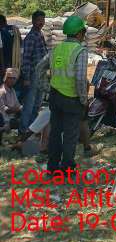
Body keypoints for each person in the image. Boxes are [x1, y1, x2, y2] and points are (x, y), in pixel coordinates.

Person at [47, 16, 88, 174]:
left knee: (55, 132)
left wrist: (46, 88)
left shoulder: (56, 49)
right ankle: (67, 168)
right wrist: (83, 99)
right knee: (71, 135)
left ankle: (52, 167)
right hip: (71, 99)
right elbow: (80, 79)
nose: (84, 34)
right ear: (79, 33)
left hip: (55, 96)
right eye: (83, 31)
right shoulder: (80, 51)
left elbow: (39, 68)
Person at [19, 10, 47, 134]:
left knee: (37, 104)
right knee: (29, 104)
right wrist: (26, 77)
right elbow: (25, 59)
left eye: (43, 20)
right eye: (39, 20)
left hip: (41, 74)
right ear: (33, 21)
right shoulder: (31, 37)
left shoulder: (40, 34)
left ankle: (32, 129)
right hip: (33, 74)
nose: (41, 22)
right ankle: (23, 129)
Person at [0, 68, 22, 139]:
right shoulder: (2, 91)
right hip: (4, 120)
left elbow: (17, 105)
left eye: (14, 78)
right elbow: (6, 110)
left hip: (11, 118)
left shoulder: (12, 90)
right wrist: (19, 109)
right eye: (10, 78)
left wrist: (21, 108)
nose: (12, 80)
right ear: (6, 78)